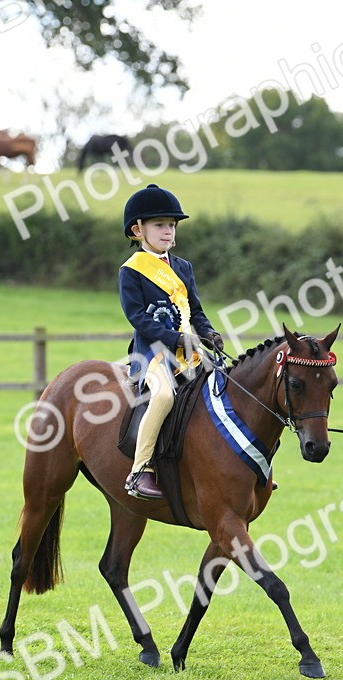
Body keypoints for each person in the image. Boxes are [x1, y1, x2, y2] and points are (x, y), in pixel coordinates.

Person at [118, 183, 223, 499]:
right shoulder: (131, 271)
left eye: (172, 225)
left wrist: (209, 333)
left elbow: (196, 310)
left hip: (191, 351)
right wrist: (177, 338)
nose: (168, 231)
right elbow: (138, 318)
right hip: (153, 354)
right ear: (138, 230)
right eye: (160, 225)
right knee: (164, 397)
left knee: (227, 387)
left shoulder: (183, 267)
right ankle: (140, 470)